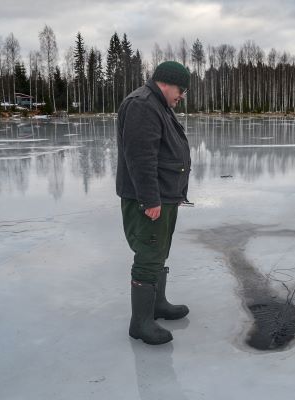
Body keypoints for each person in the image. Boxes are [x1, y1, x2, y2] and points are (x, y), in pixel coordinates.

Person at [116, 61, 191, 345]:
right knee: (148, 255)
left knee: (158, 252)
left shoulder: (157, 105)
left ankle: (157, 306)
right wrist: (150, 199)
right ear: (166, 83)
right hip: (148, 199)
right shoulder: (143, 105)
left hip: (163, 196)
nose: (182, 95)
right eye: (181, 89)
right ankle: (141, 323)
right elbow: (140, 157)